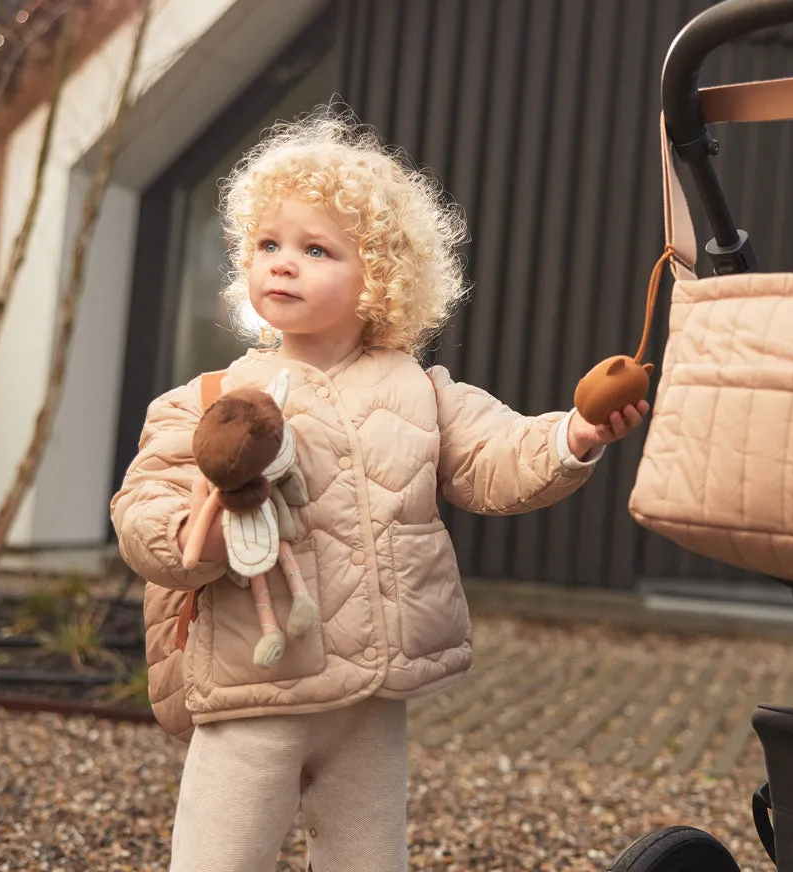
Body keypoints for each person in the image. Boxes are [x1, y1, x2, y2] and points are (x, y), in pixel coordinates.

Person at [110, 110, 648, 872]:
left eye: (315, 249)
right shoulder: (207, 402)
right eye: (267, 245)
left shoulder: (421, 391)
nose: (281, 264)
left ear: (380, 279)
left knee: (369, 859)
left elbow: (496, 457)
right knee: (219, 858)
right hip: (255, 686)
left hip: (369, 696)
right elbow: (144, 514)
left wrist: (575, 437)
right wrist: (208, 535)